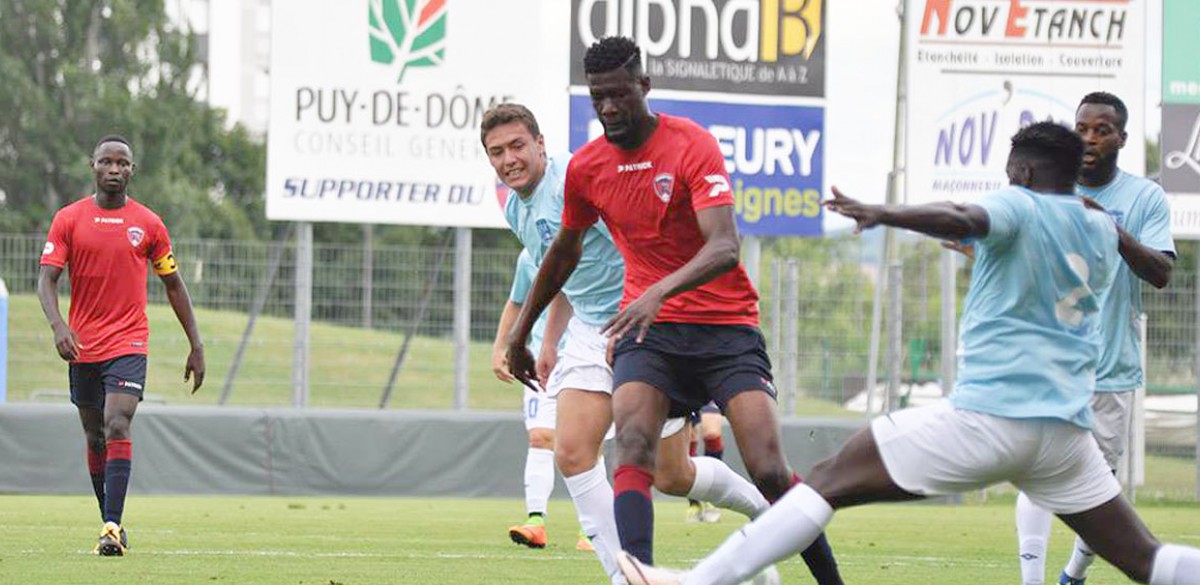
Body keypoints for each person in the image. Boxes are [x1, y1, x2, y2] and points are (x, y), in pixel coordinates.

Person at [616, 121, 1200, 585]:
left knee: (825, 481)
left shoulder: (1019, 203)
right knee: (1146, 560)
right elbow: (1023, 257)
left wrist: (882, 212)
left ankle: (698, 581)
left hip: (991, 421)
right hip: (1066, 438)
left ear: (1020, 170)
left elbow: (963, 215)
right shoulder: (1098, 229)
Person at [502, 36, 843, 584]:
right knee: (630, 447)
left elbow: (724, 245)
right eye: (598, 99)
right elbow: (562, 253)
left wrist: (659, 291)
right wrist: (521, 334)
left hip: (724, 329)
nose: (609, 109)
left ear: (644, 87)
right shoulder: (588, 168)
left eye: (618, 95)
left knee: (769, 468)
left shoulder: (691, 144)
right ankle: (636, 576)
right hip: (647, 334)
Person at [483, 103, 775, 584]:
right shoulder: (516, 207)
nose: (509, 158)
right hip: (587, 333)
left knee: (673, 475)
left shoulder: (573, 182)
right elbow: (564, 270)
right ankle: (627, 576)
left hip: (643, 325)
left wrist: (656, 314)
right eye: (497, 152)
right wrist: (550, 340)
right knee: (572, 452)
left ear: (540, 143)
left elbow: (633, 245)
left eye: (517, 146)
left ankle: (762, 511)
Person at [1011, 92, 1176, 585]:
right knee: (1039, 472)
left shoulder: (1144, 198)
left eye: (1101, 130)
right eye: (1081, 128)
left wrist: (1110, 228)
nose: (1089, 139)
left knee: (1101, 487)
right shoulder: (1046, 189)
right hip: (1051, 361)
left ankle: (1074, 574)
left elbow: (1162, 273)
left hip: (1112, 366)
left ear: (1121, 138)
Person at [37, 135, 205, 557]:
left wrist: (196, 343)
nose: (115, 169)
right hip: (83, 346)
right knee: (95, 435)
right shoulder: (69, 219)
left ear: (132, 170)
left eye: (123, 163)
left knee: (117, 422)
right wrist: (59, 325)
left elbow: (173, 284)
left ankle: (111, 526)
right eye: (107, 162)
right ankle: (110, 522)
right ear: (93, 166)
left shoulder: (148, 224)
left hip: (129, 341)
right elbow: (47, 279)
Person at [492, 250, 595, 551]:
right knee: (539, 437)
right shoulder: (528, 256)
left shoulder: (590, 249)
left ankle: (591, 529)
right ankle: (535, 521)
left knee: (589, 447)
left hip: (585, 358)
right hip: (539, 361)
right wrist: (500, 347)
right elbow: (516, 302)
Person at [686, 404, 725, 523]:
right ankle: (694, 503)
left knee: (712, 434)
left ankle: (712, 498)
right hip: (685, 388)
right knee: (687, 439)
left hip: (709, 389)